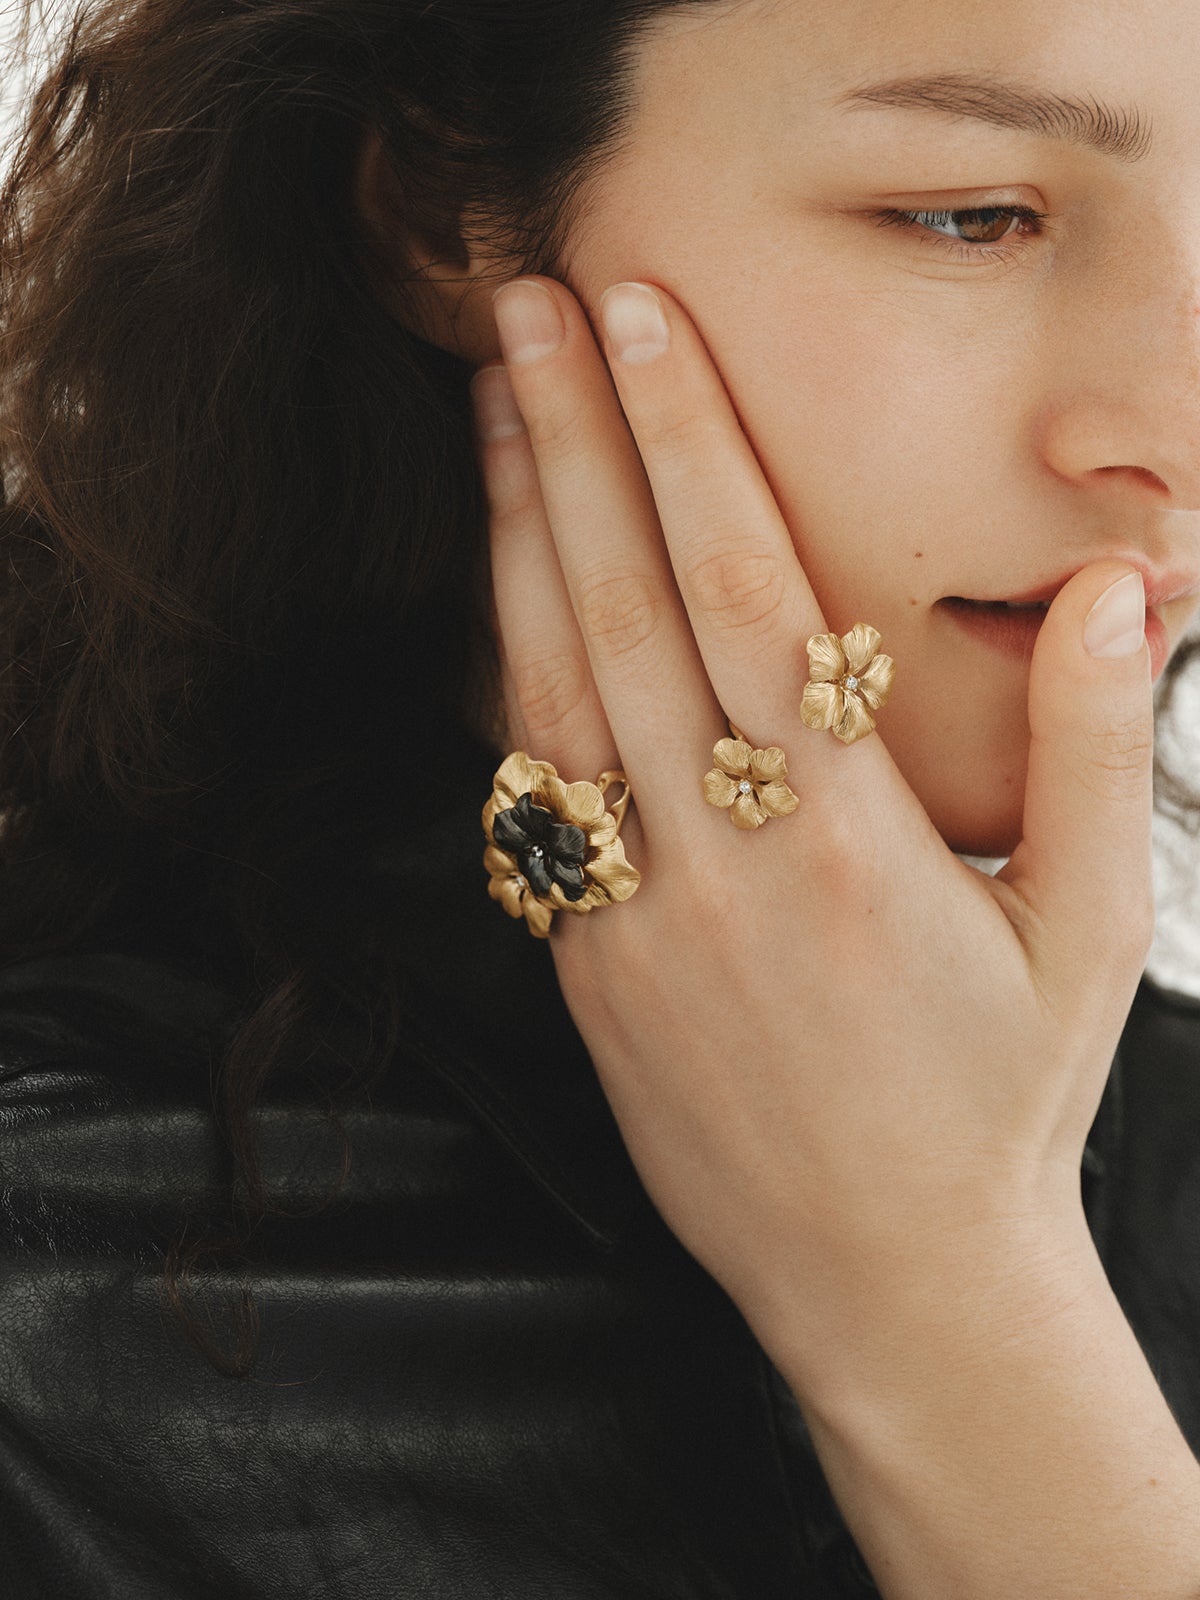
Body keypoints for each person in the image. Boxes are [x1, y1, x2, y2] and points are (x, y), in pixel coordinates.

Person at [1, 0, 1199, 1594]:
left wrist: (956, 1318)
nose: (1181, 437)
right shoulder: (56, 1294)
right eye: (970, 214)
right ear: (445, 208)